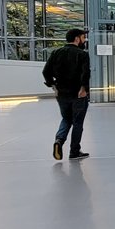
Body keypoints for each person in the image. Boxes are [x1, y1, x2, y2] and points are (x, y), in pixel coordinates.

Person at [42, 28, 91, 161]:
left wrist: (53, 86)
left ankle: (59, 140)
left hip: (62, 93)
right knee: (77, 122)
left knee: (66, 119)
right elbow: (85, 73)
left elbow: (46, 71)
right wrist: (84, 88)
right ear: (76, 39)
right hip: (78, 93)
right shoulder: (82, 54)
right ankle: (74, 151)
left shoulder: (56, 53)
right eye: (83, 37)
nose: (84, 40)